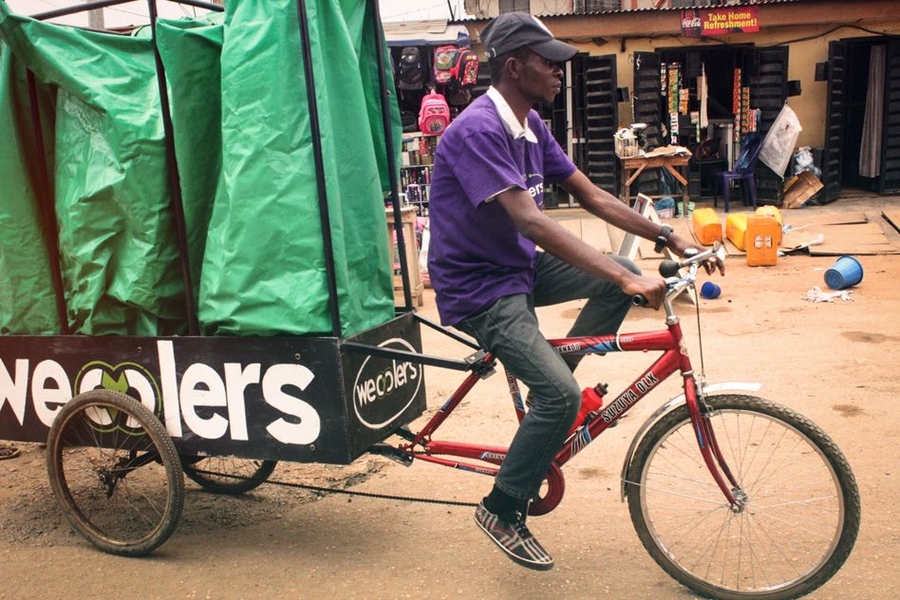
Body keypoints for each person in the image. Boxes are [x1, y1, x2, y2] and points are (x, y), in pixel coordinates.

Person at [426, 12, 721, 571]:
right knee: (565, 387)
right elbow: (532, 222)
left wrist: (666, 236)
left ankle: (555, 394)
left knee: (612, 277)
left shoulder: (530, 126)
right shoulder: (478, 130)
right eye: (549, 60)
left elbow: (593, 197)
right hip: (480, 287)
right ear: (514, 67)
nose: (561, 69)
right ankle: (502, 506)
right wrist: (628, 277)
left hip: (518, 269)